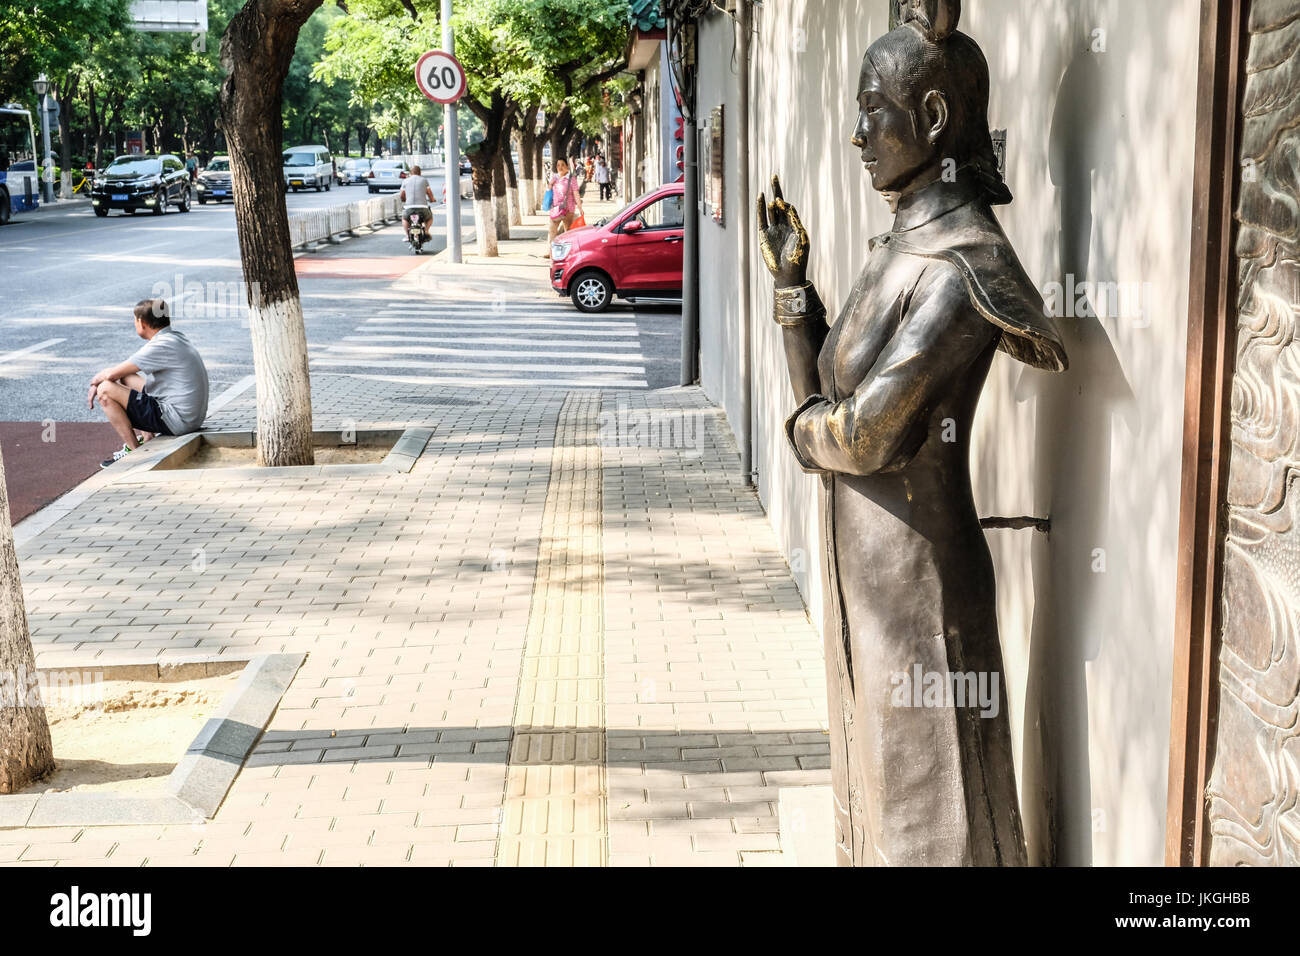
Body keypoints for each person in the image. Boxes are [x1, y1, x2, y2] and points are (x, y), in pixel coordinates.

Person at [756, 0, 1066, 866]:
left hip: (924, 589)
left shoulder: (965, 266)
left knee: (939, 821)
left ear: (932, 118)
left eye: (871, 109)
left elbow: (864, 438)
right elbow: (826, 396)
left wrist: (803, 430)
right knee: (884, 804)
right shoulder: (896, 251)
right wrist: (792, 292)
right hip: (871, 576)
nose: (858, 134)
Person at [90, 299, 210, 468]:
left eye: (134, 320)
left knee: (105, 390)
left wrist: (95, 384)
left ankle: (134, 453)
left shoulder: (161, 345)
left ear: (141, 322)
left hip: (177, 420)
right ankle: (147, 437)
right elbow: (123, 372)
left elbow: (111, 373)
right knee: (127, 377)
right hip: (189, 417)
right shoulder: (175, 338)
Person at [547, 158, 582, 257]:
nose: (560, 167)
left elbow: (576, 194)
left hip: (568, 210)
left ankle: (568, 253)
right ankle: (550, 252)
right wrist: (550, 183)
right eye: (558, 165)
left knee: (568, 233)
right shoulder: (555, 178)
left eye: (562, 165)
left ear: (567, 166)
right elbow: (549, 191)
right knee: (552, 231)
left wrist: (580, 207)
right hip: (555, 209)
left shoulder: (571, 179)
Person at [398, 163, 436, 243]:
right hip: (422, 208)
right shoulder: (424, 180)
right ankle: (426, 230)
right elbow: (429, 193)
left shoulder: (405, 181)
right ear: (420, 173)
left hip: (409, 208)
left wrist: (404, 200)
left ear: (410, 173)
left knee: (404, 218)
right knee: (430, 218)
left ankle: (407, 236)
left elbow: (402, 195)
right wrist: (432, 199)